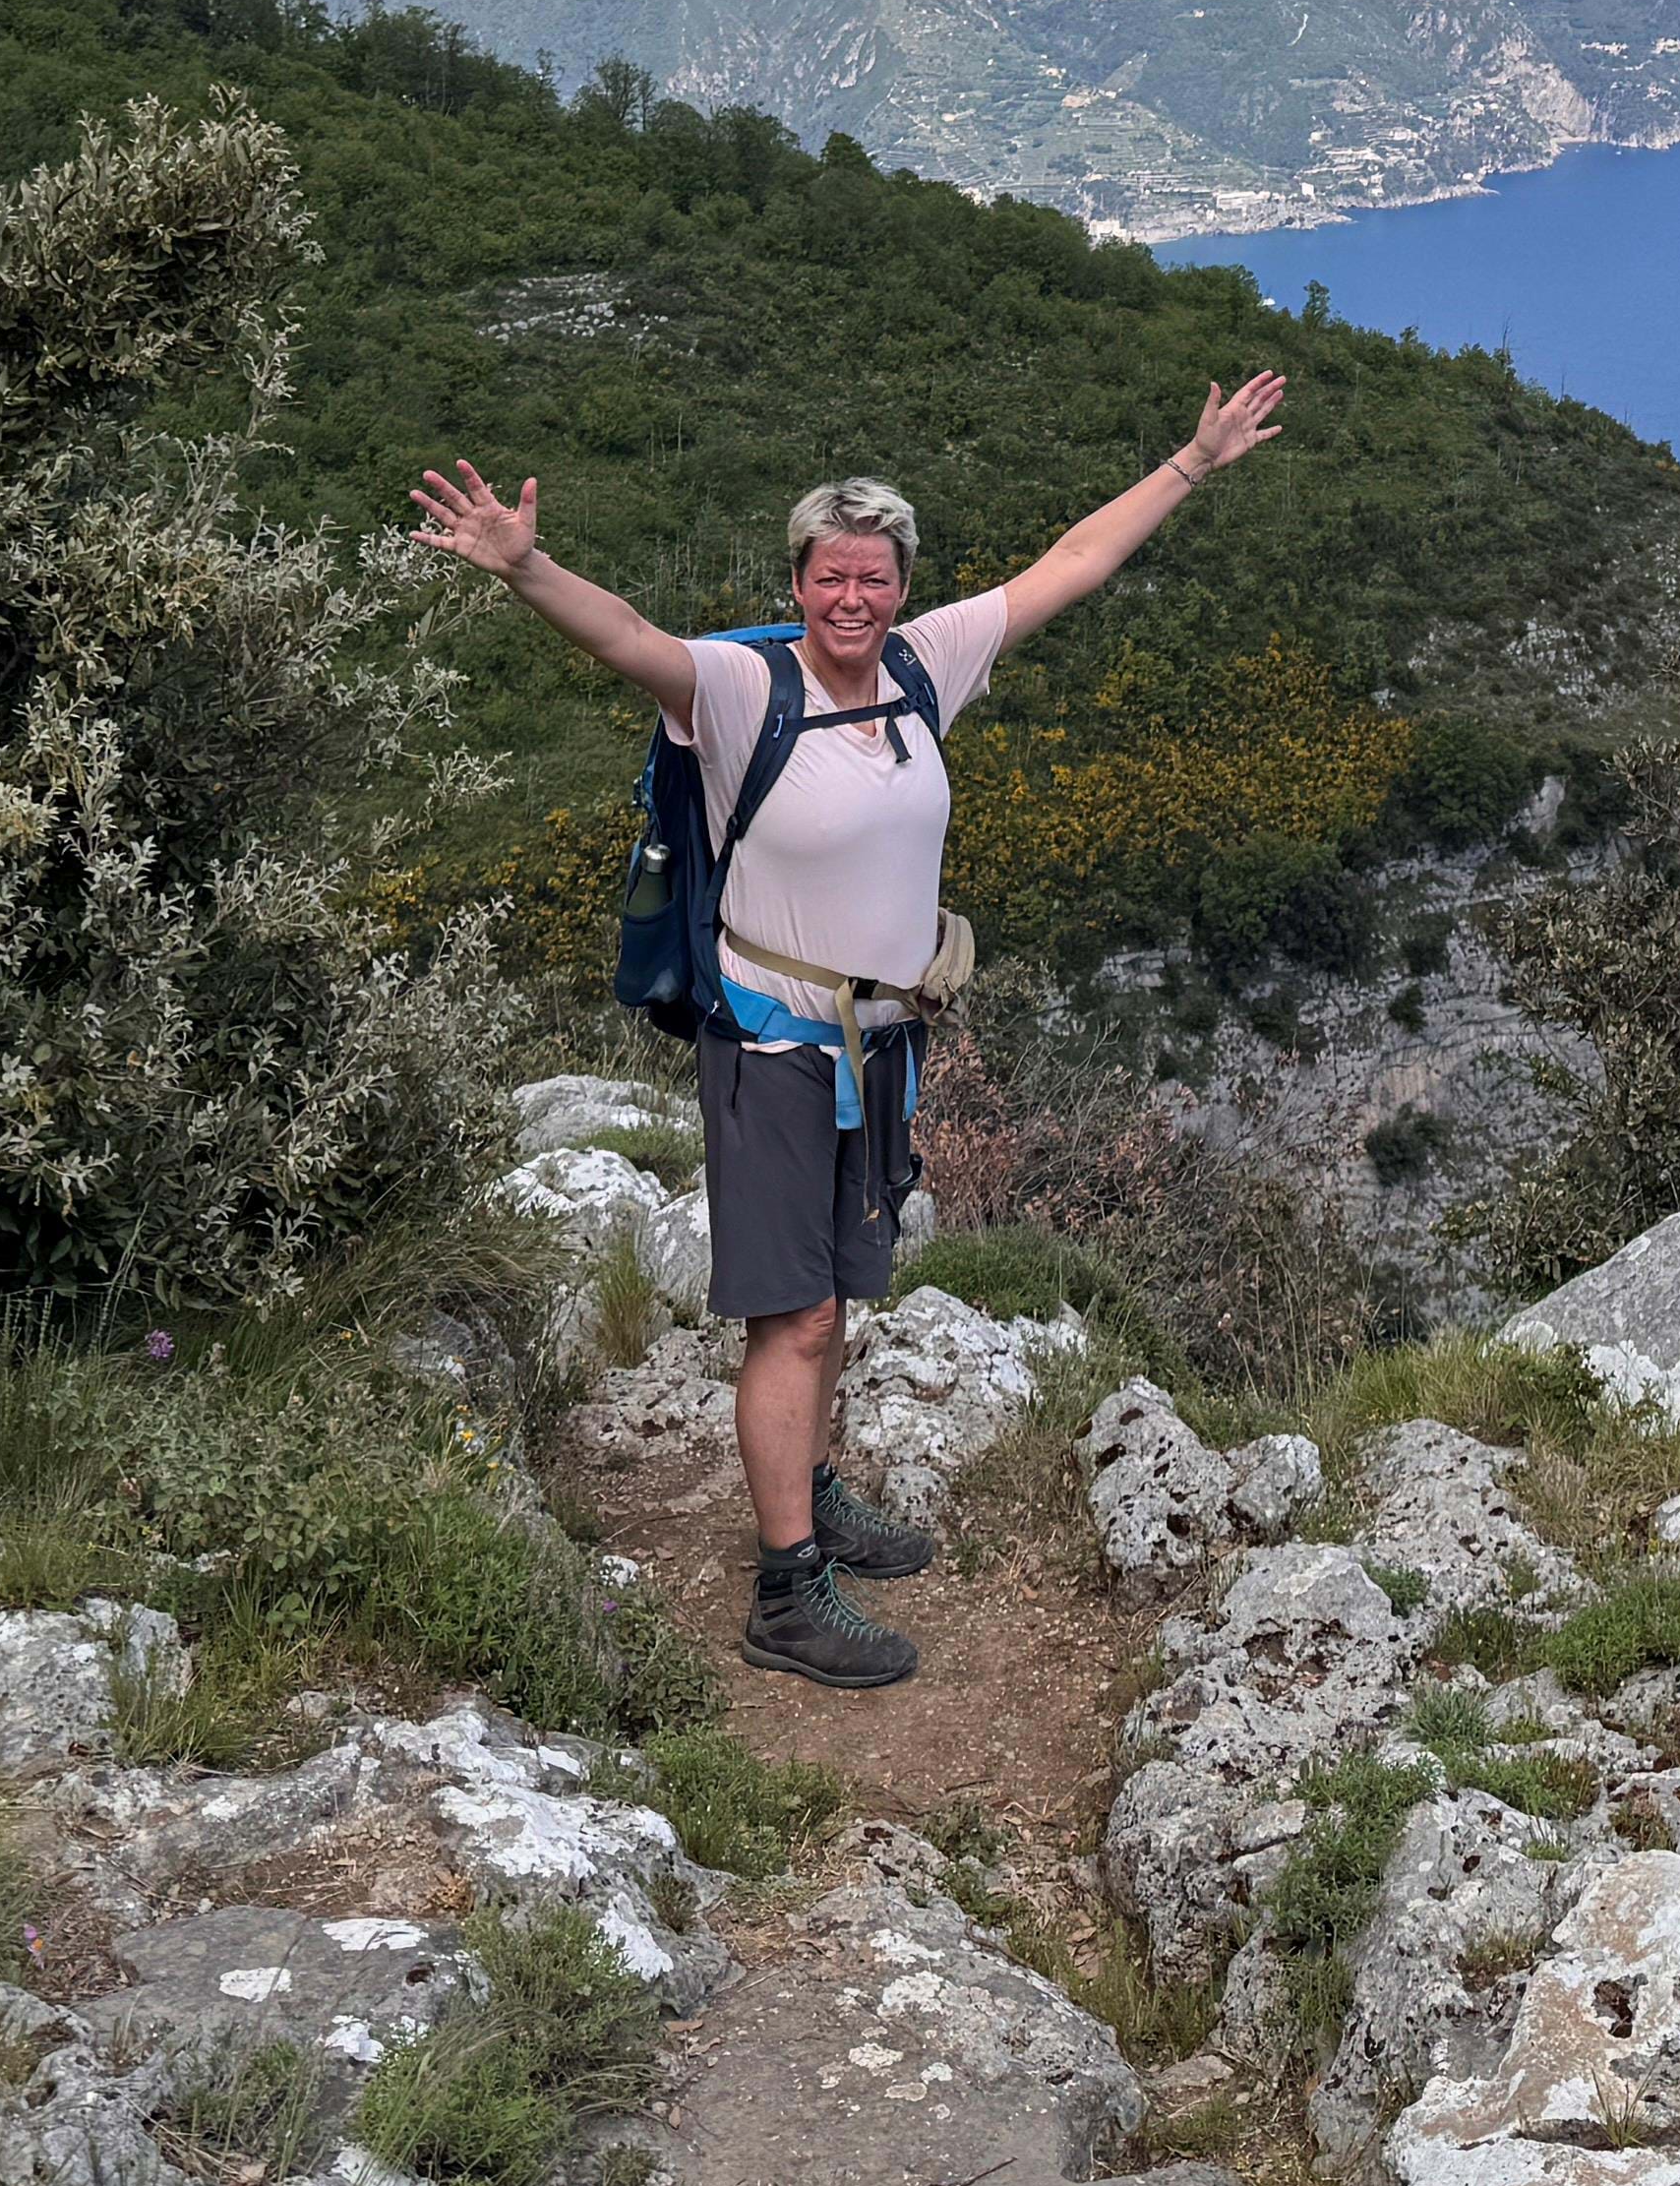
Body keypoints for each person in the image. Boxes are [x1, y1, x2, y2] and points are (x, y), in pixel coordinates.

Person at [406, 375, 1287, 1687]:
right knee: (800, 1315)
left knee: (838, 1303)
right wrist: (527, 569)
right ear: (800, 582)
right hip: (771, 1042)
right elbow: (628, 636)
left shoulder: (926, 667)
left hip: (881, 1044)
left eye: (877, 579)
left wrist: (1193, 464)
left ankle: (812, 1496)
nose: (856, 601)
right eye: (832, 579)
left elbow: (1070, 567)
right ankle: (785, 1591)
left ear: (901, 583)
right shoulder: (736, 691)